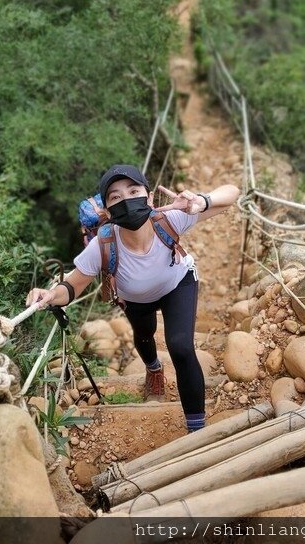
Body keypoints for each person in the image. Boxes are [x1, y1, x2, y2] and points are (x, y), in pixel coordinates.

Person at [25, 164, 240, 432]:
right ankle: (153, 369)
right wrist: (49, 295)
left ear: (149, 198)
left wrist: (201, 201)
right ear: (107, 210)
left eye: (134, 190)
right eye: (115, 197)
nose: (126, 200)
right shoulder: (102, 243)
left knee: (181, 346)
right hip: (135, 299)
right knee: (145, 336)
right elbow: (71, 287)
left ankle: (196, 428)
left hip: (177, 284)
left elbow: (232, 194)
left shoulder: (170, 218)